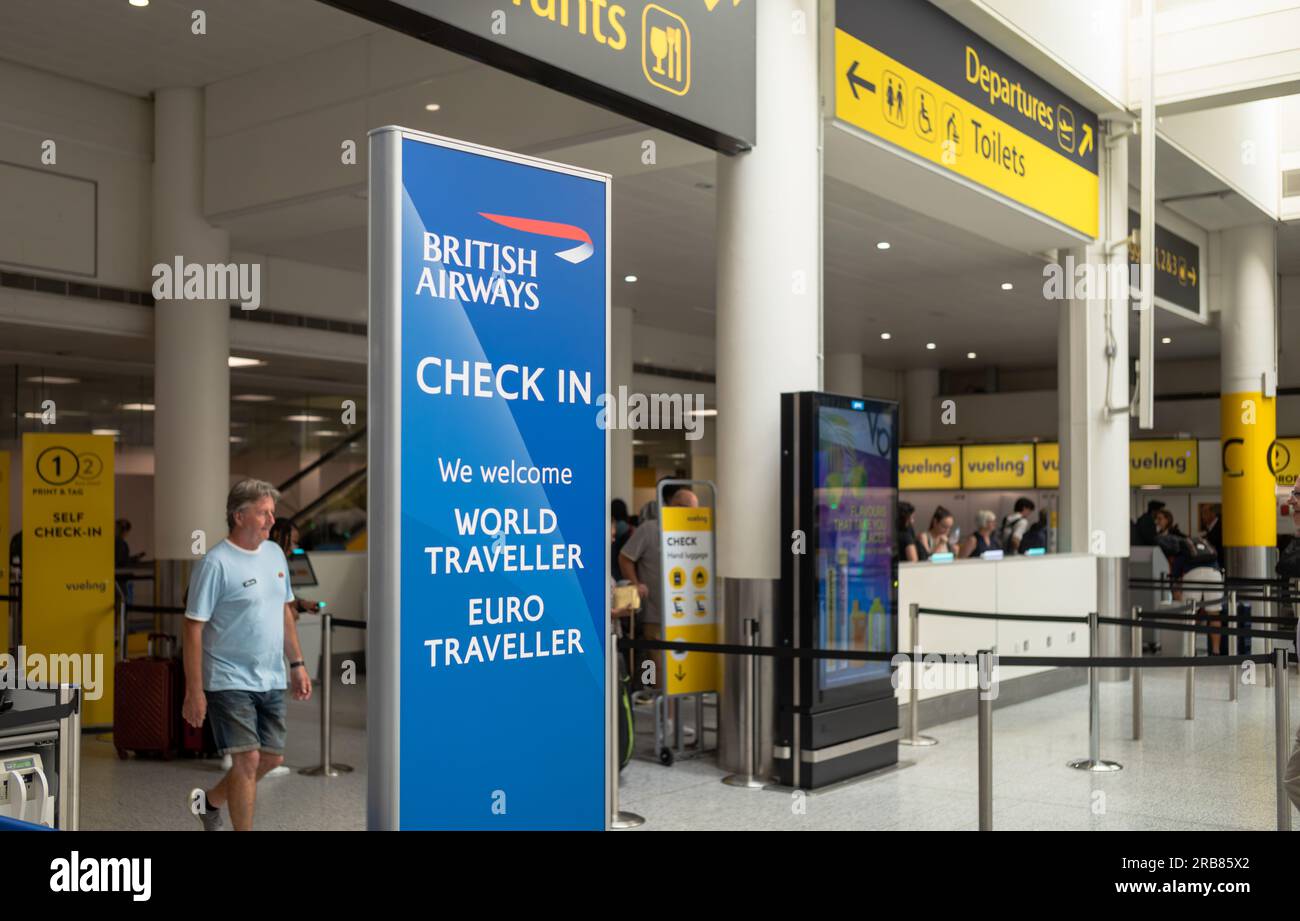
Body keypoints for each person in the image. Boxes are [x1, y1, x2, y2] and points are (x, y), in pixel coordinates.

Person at [182, 479, 312, 831]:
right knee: (247, 760)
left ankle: (210, 802)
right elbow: (193, 628)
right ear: (239, 516)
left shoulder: (273, 554)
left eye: (272, 512)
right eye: (263, 513)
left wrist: (297, 664)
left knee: (270, 758)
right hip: (227, 678)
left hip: (270, 675)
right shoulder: (215, 564)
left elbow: (285, 610)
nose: (272, 520)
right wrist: (194, 691)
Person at [619, 488, 699, 695]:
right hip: (656, 611)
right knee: (659, 667)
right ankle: (665, 716)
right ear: (676, 507)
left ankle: (672, 715)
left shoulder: (694, 533)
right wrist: (636, 583)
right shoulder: (650, 529)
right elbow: (625, 557)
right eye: (691, 510)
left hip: (686, 614)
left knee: (680, 666)